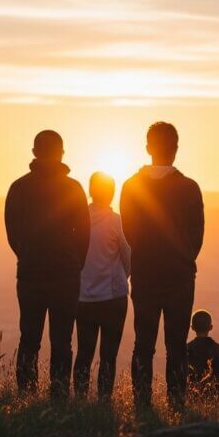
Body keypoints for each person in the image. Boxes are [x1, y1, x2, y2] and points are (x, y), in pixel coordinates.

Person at [121, 122, 205, 411]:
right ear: (176, 149)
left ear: (148, 148)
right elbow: (197, 235)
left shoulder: (131, 187)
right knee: (176, 346)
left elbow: (129, 231)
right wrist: (182, 257)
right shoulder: (189, 188)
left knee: (143, 345)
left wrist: (147, 253)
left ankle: (142, 405)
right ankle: (176, 404)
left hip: (145, 273)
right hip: (180, 276)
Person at [5, 131, 90, 400]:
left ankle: (26, 395)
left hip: (30, 272)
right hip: (66, 272)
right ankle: (60, 395)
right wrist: (75, 262)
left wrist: (27, 254)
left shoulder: (19, 187)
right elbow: (84, 233)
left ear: (34, 152)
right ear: (61, 153)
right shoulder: (73, 188)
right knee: (62, 340)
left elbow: (12, 232)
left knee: (29, 337)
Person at [73, 172, 131, 401]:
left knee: (84, 352)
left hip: (83, 297)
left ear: (90, 190)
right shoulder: (117, 222)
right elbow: (128, 258)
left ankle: (79, 398)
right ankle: (104, 400)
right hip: (113, 298)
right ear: (112, 193)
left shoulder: (77, 221)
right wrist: (121, 277)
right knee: (109, 354)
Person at [186, 310, 219, 403]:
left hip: (192, 394)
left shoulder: (188, 348)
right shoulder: (217, 348)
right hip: (213, 395)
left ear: (192, 327)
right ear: (211, 327)